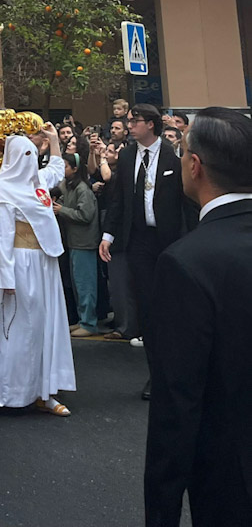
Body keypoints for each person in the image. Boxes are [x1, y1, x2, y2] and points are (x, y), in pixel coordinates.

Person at [144, 107, 252, 527]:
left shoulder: (186, 263)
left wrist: (162, 513)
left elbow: (177, 404)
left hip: (233, 482)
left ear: (194, 166)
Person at [99, 104, 191, 399]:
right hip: (138, 240)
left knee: (174, 306)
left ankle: (183, 369)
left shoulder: (173, 156)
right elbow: (118, 200)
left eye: (134, 121)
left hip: (170, 239)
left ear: (150, 124)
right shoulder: (127, 156)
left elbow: (186, 202)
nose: (129, 125)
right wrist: (108, 235)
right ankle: (156, 374)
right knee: (148, 308)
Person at [0, 125, 76, 415]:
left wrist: (52, 140)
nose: (30, 159)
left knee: (47, 325)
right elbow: (0, 238)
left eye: (32, 154)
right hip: (21, 264)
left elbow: (57, 169)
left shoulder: (36, 181)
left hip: (45, 263)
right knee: (21, 327)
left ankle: (45, 390)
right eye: (24, 154)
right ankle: (11, 391)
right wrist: (5, 277)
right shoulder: (4, 189)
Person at [53, 151, 101, 336]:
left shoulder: (82, 188)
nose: (63, 170)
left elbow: (85, 215)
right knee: (77, 284)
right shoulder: (68, 186)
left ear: (74, 168)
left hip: (84, 243)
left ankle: (89, 323)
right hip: (74, 242)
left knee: (85, 285)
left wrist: (62, 210)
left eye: (65, 166)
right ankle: (83, 319)